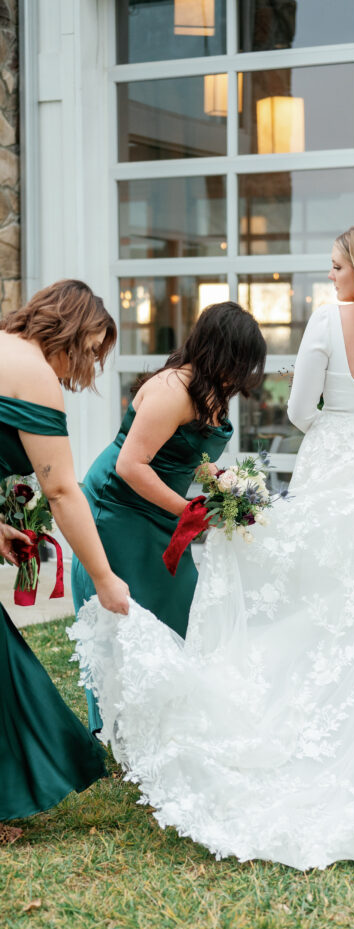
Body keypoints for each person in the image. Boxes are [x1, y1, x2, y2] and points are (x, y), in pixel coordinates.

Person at [70, 223, 354, 871]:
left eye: (337, 266)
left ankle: (311, 720)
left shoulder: (325, 322)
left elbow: (296, 410)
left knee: (326, 595)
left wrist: (341, 426)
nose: (331, 277)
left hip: (337, 456)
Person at [71, 301, 266, 733]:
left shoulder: (212, 388)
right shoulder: (173, 389)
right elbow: (131, 465)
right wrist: (191, 511)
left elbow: (184, 452)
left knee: (181, 603)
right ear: (222, 350)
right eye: (241, 361)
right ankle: (118, 724)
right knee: (130, 612)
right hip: (119, 508)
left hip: (162, 511)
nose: (244, 374)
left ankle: (170, 713)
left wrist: (218, 481)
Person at [0, 279, 129, 844]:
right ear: (70, 333)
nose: (91, 368)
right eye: (93, 349)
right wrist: (103, 577)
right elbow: (63, 493)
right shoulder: (33, 374)